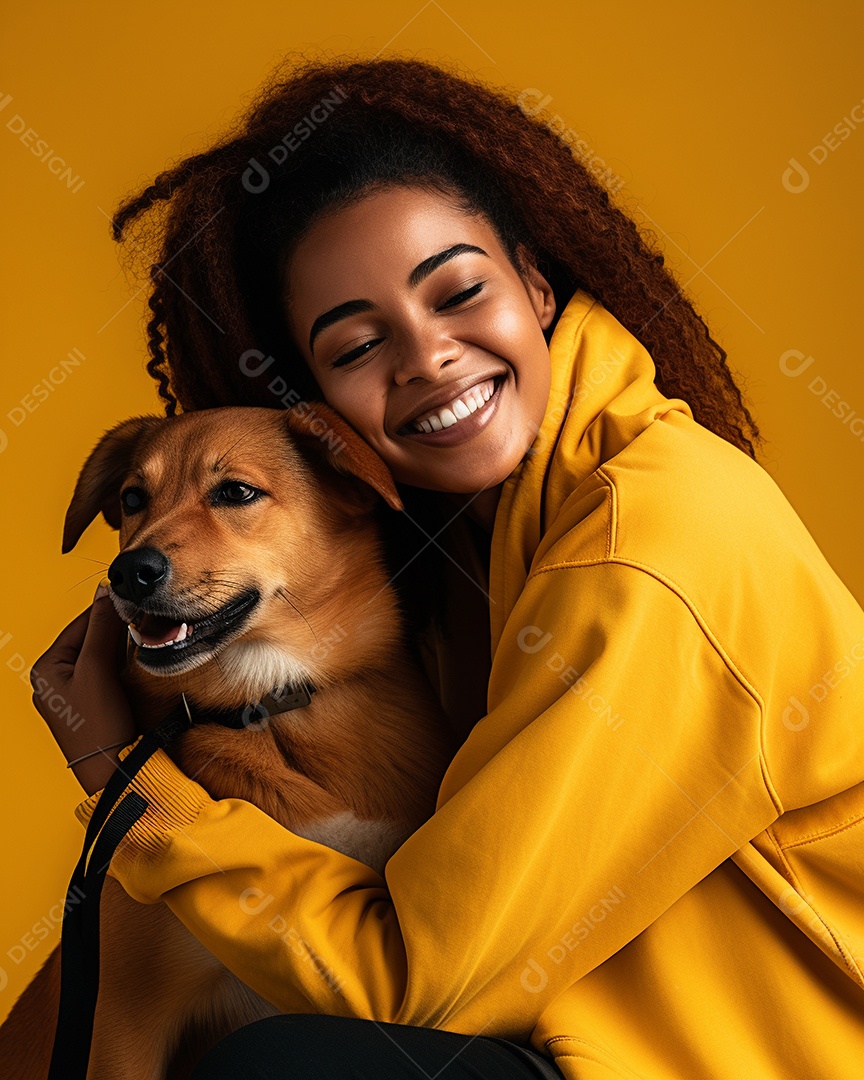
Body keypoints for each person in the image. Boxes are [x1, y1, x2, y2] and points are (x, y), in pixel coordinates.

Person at [32, 54, 864, 1079]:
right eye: (354, 347)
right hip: (586, 1032)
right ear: (322, 410)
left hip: (760, 1058)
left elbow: (428, 989)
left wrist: (132, 791)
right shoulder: (459, 543)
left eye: (458, 291)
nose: (426, 357)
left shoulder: (652, 547)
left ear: (537, 283)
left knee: (290, 1069)